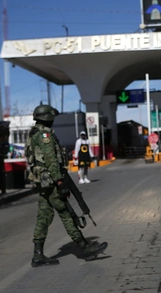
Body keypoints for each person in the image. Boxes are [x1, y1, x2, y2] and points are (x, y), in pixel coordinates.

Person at [25, 105, 108, 267]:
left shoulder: (34, 132)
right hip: (51, 180)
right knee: (66, 213)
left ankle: (38, 254)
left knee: (44, 216)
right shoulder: (44, 134)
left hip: (43, 182)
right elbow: (50, 160)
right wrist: (60, 182)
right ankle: (84, 248)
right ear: (47, 118)